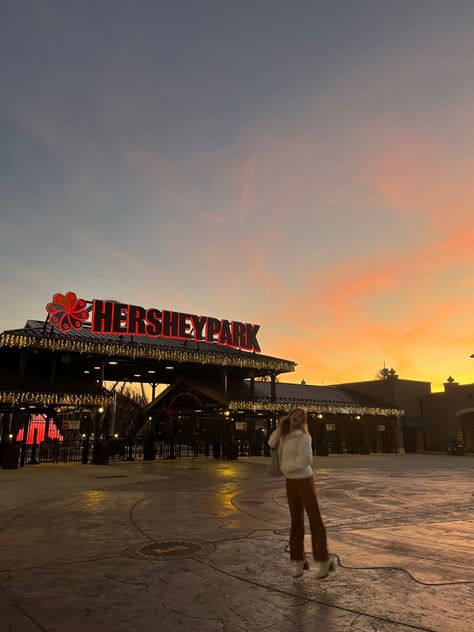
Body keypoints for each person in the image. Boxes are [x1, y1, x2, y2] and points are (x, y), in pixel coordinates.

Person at [268, 408, 336, 579]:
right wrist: (281, 426)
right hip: (290, 481)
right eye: (295, 414)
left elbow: (306, 459)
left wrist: (287, 467)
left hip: (304, 479)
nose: (297, 417)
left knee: (314, 518)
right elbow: (271, 443)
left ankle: (323, 559)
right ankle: (299, 559)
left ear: (303, 421)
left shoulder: (303, 437)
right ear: (290, 416)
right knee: (295, 520)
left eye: (301, 416)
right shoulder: (283, 434)